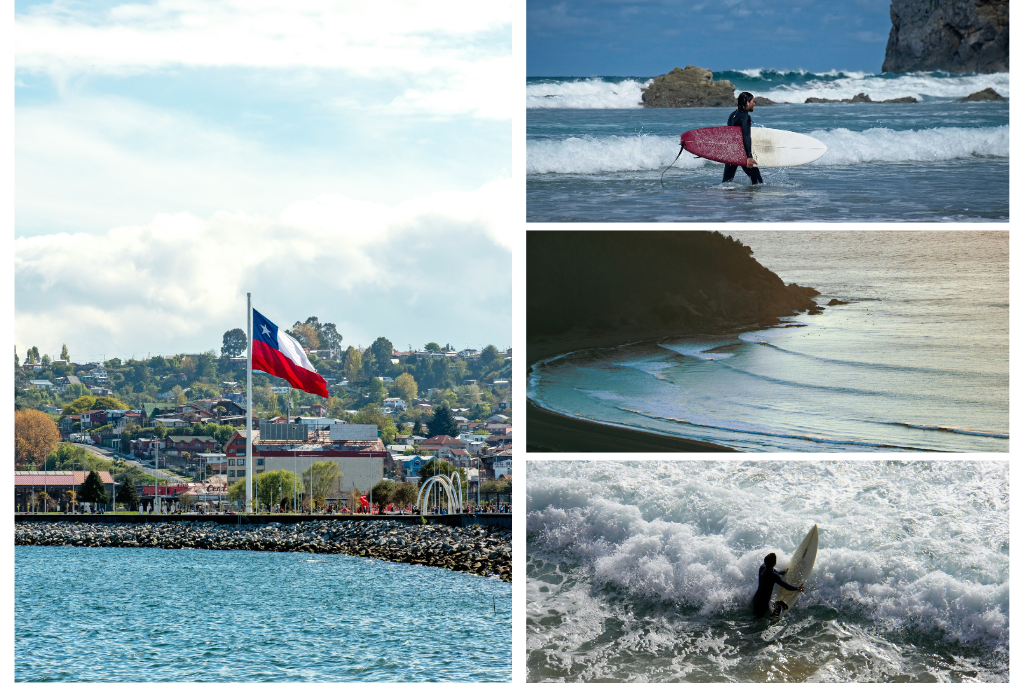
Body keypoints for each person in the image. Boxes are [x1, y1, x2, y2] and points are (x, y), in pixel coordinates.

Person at [723, 92, 764, 185]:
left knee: (726, 183)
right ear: (747, 103)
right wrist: (749, 157)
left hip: (731, 153)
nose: (754, 104)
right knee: (758, 182)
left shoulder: (732, 115)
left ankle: (726, 199)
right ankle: (750, 199)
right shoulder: (745, 117)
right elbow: (746, 136)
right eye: (753, 101)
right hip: (742, 153)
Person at [752, 552, 804, 619]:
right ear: (774, 564)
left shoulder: (762, 567)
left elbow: (772, 570)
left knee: (754, 617)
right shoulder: (773, 575)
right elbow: (786, 586)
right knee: (758, 622)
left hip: (756, 599)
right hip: (763, 604)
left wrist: (782, 572)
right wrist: (798, 588)